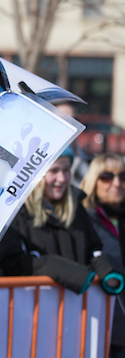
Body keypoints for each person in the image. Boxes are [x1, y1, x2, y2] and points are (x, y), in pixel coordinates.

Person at [0, 147, 124, 297]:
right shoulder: (15, 211)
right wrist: (65, 271)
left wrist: (107, 271)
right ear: (37, 175)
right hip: (32, 310)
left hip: (74, 309)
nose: (62, 178)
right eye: (54, 171)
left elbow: (94, 250)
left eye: (66, 170)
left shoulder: (76, 207)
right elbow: (13, 262)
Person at [80, 153, 125, 358]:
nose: (117, 183)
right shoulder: (83, 218)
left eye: (122, 177)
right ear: (93, 180)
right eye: (107, 176)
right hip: (100, 324)